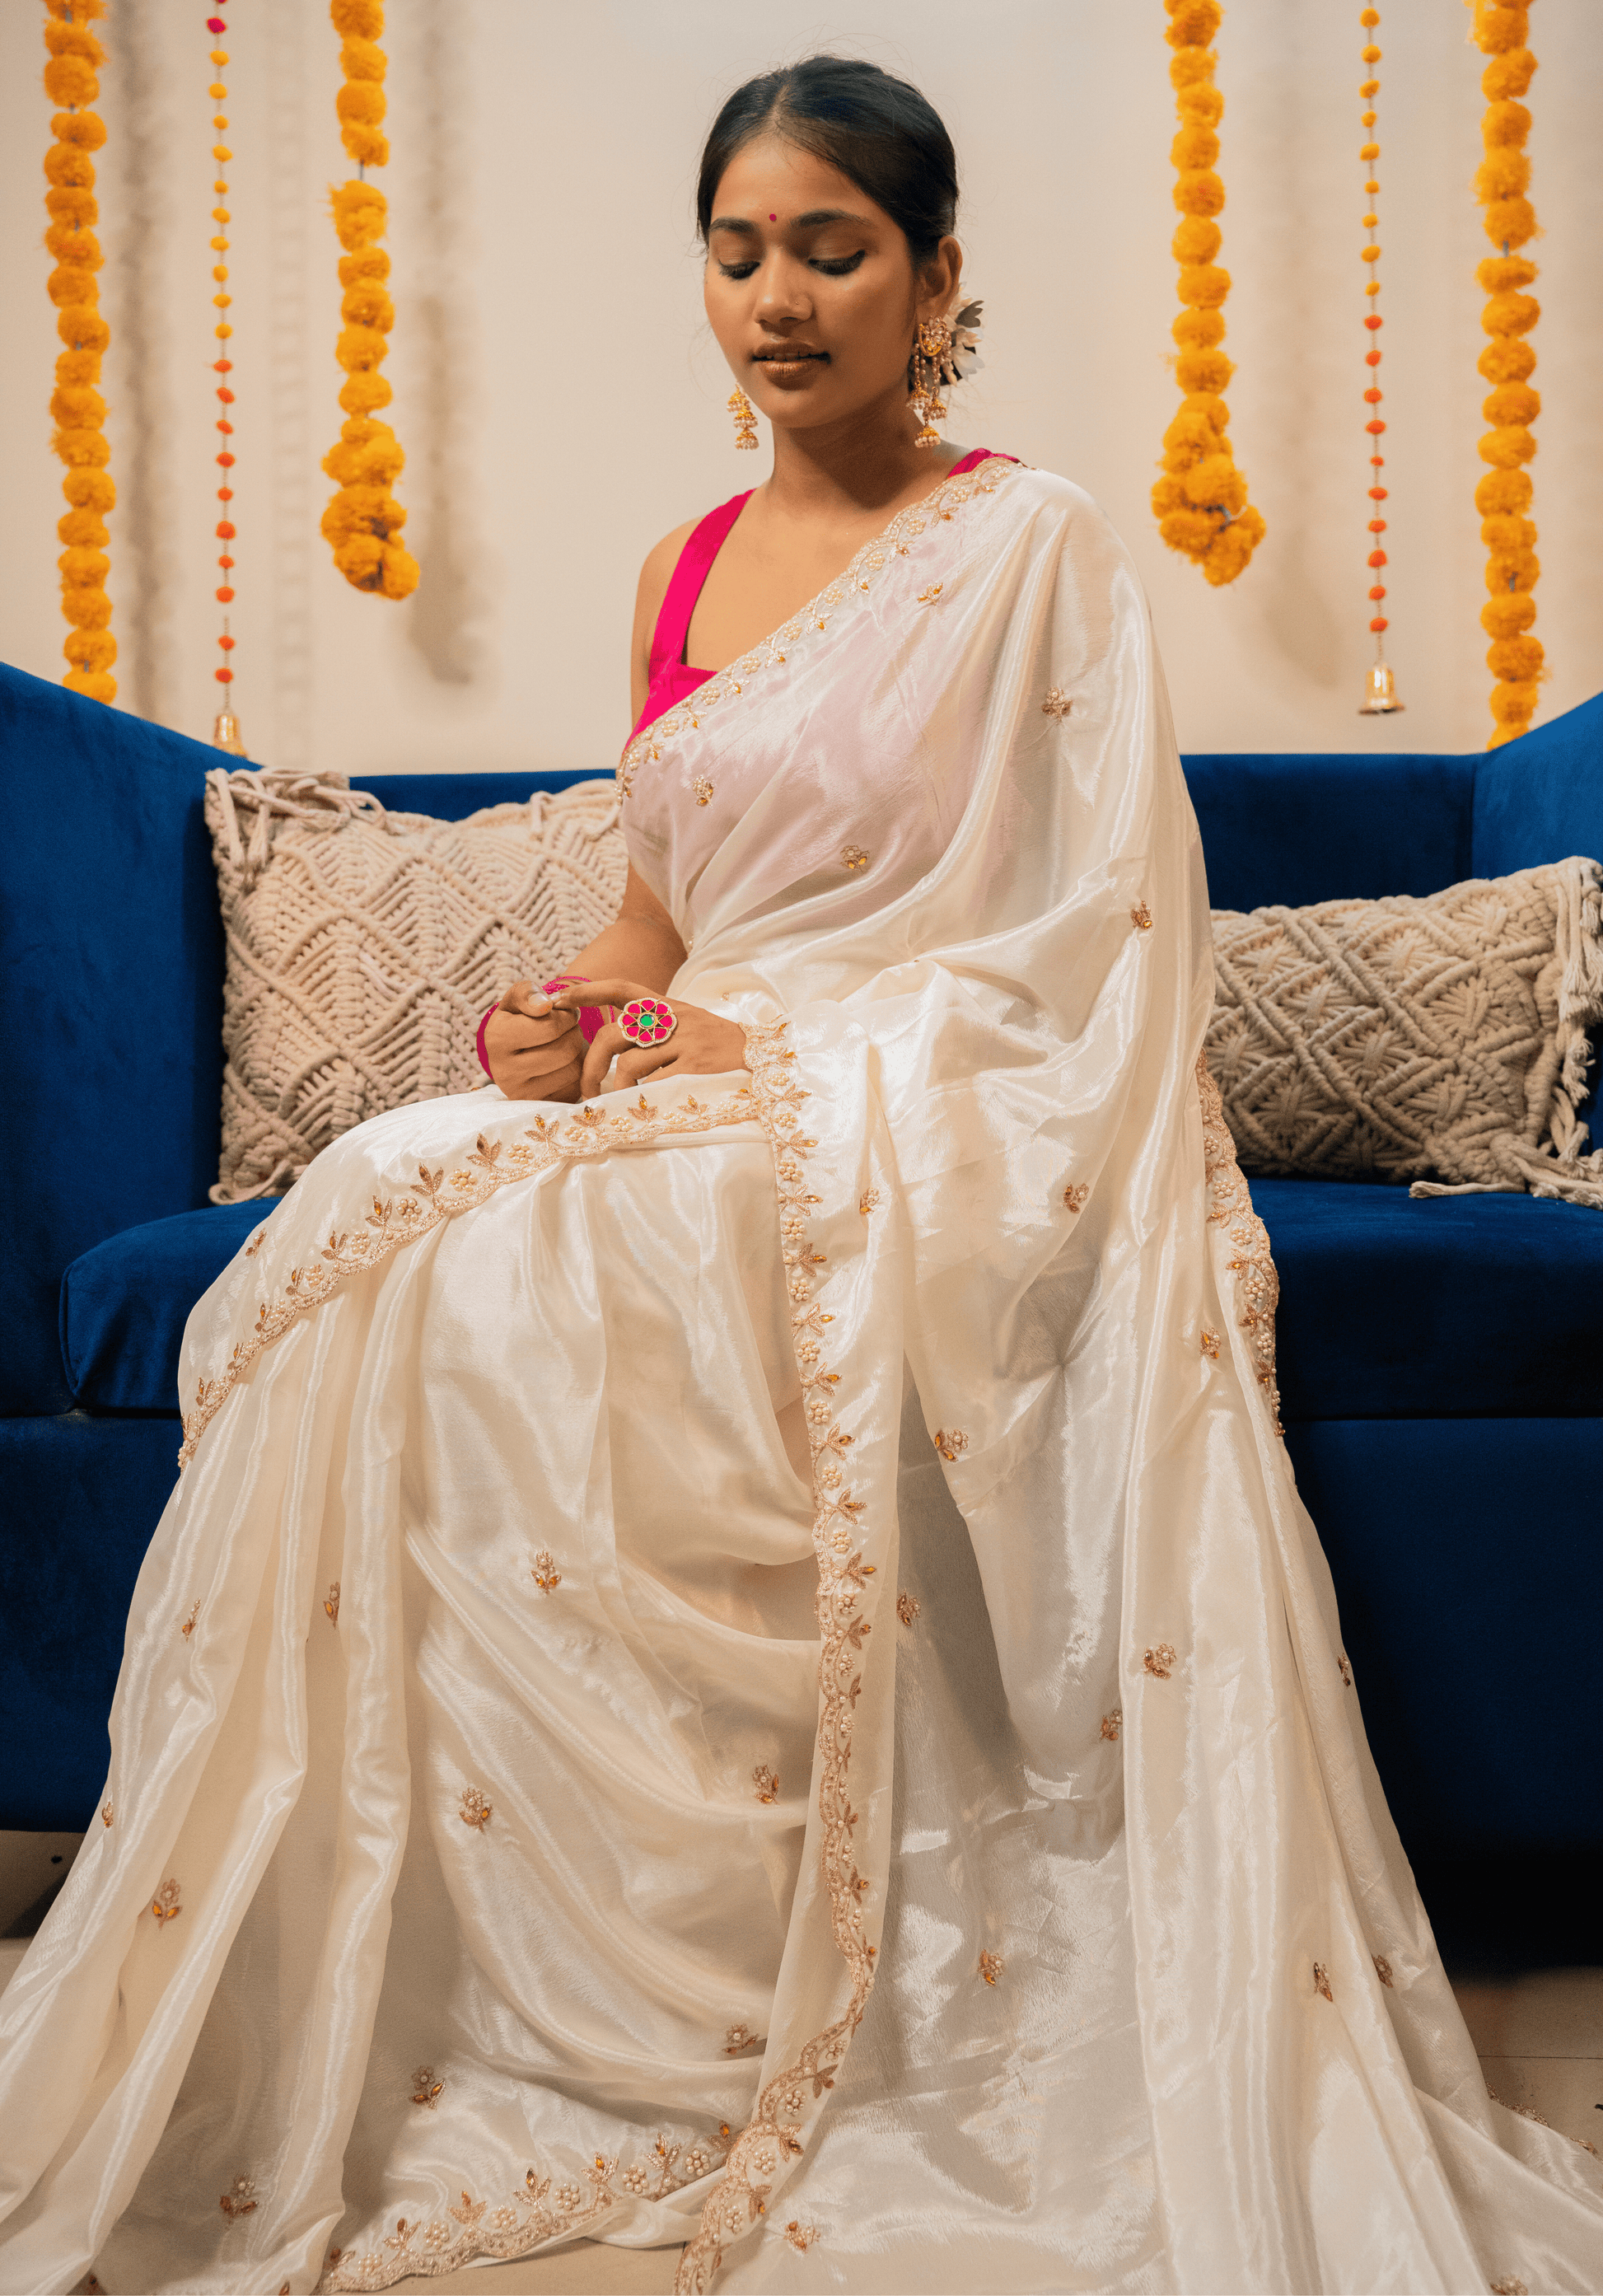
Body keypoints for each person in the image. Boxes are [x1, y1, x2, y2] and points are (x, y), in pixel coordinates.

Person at [1, 54, 1598, 2296]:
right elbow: (655, 919)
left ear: (934, 282)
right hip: (699, 1070)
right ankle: (509, 1970)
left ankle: (761, 1966)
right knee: (385, 1208)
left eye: (832, 251)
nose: (778, 297)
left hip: (934, 1093)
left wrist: (760, 1052)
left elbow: (1075, 944)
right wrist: (562, 1020)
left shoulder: (1033, 546)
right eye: (740, 251)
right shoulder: (680, 568)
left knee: (570, 1237)